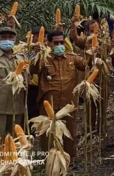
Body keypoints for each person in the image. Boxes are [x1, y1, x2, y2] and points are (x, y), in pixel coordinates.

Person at [31, 30, 88, 169]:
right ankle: (48, 161)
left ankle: (70, 160)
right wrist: (37, 53)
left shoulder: (72, 58)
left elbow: (85, 64)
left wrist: (94, 52)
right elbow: (32, 69)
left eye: (62, 42)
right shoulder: (44, 58)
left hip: (68, 103)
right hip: (48, 103)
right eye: (56, 43)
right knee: (47, 134)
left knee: (69, 132)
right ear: (49, 43)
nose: (59, 45)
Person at [0, 27, 25, 139]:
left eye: (10, 37)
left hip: (17, 106)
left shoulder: (21, 57)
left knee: (15, 141)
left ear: (15, 39)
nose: (7, 40)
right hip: (1, 107)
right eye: (3, 38)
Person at [26, 27, 48, 130]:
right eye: (38, 36)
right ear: (32, 37)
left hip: (45, 87)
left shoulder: (48, 50)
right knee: (32, 112)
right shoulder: (27, 51)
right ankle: (32, 132)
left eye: (44, 36)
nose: (41, 38)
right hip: (32, 87)